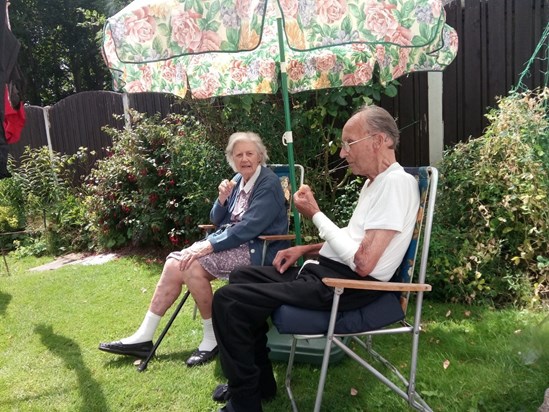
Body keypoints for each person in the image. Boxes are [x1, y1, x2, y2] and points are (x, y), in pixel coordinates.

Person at [210, 105, 420, 412]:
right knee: (243, 276)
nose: (342, 153)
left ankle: (244, 403)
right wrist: (304, 250)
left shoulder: (396, 184)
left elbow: (364, 263)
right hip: (327, 274)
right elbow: (352, 238)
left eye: (349, 142)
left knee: (229, 301)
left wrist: (315, 214)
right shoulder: (375, 183)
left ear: (379, 141)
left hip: (347, 287)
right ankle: (262, 385)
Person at [98, 131, 290, 367]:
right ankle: (144, 337)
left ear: (260, 156)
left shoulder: (268, 183)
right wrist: (221, 199)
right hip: (232, 242)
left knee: (192, 266)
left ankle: (212, 338)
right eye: (238, 155)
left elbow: (250, 227)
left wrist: (208, 246)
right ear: (232, 159)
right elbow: (217, 219)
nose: (245, 159)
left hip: (258, 249)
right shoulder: (238, 180)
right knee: (172, 264)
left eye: (250, 153)